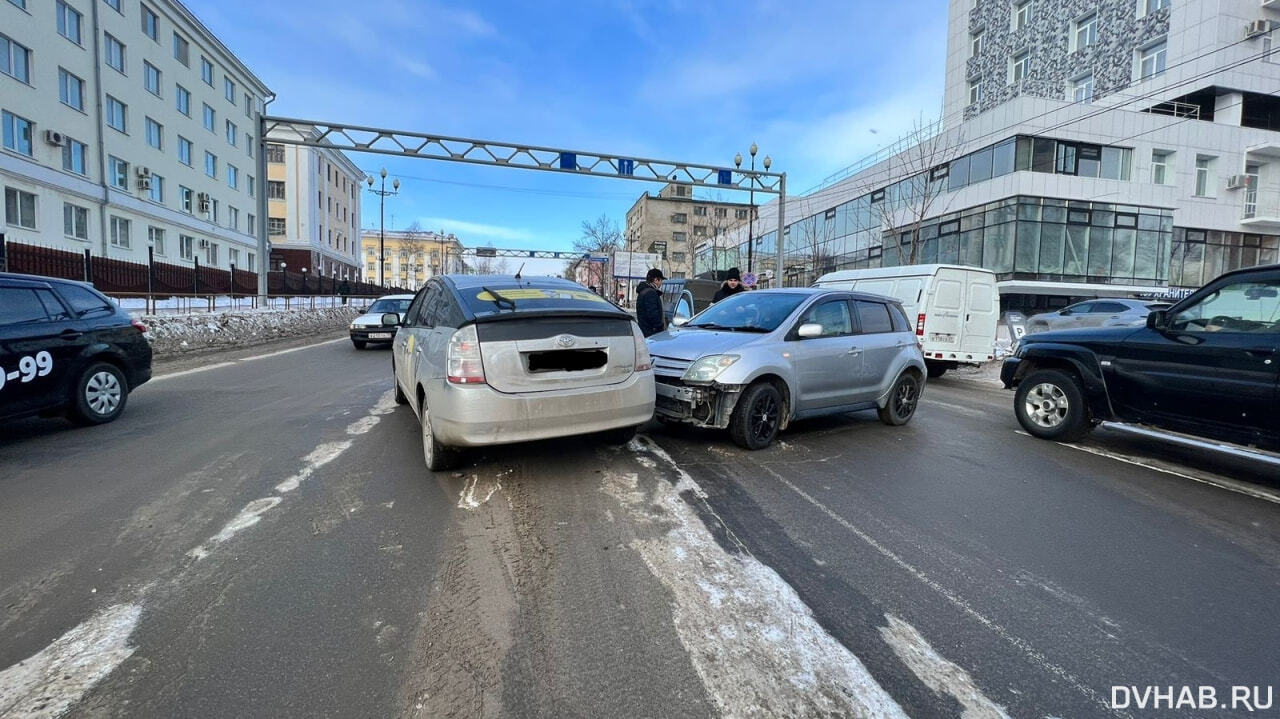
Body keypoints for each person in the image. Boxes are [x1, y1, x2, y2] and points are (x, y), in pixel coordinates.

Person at [636, 268, 666, 337]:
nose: (661, 283)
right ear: (656, 280)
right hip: (651, 332)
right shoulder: (650, 293)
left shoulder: (644, 291)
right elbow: (652, 313)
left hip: (645, 330)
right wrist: (659, 327)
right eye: (661, 280)